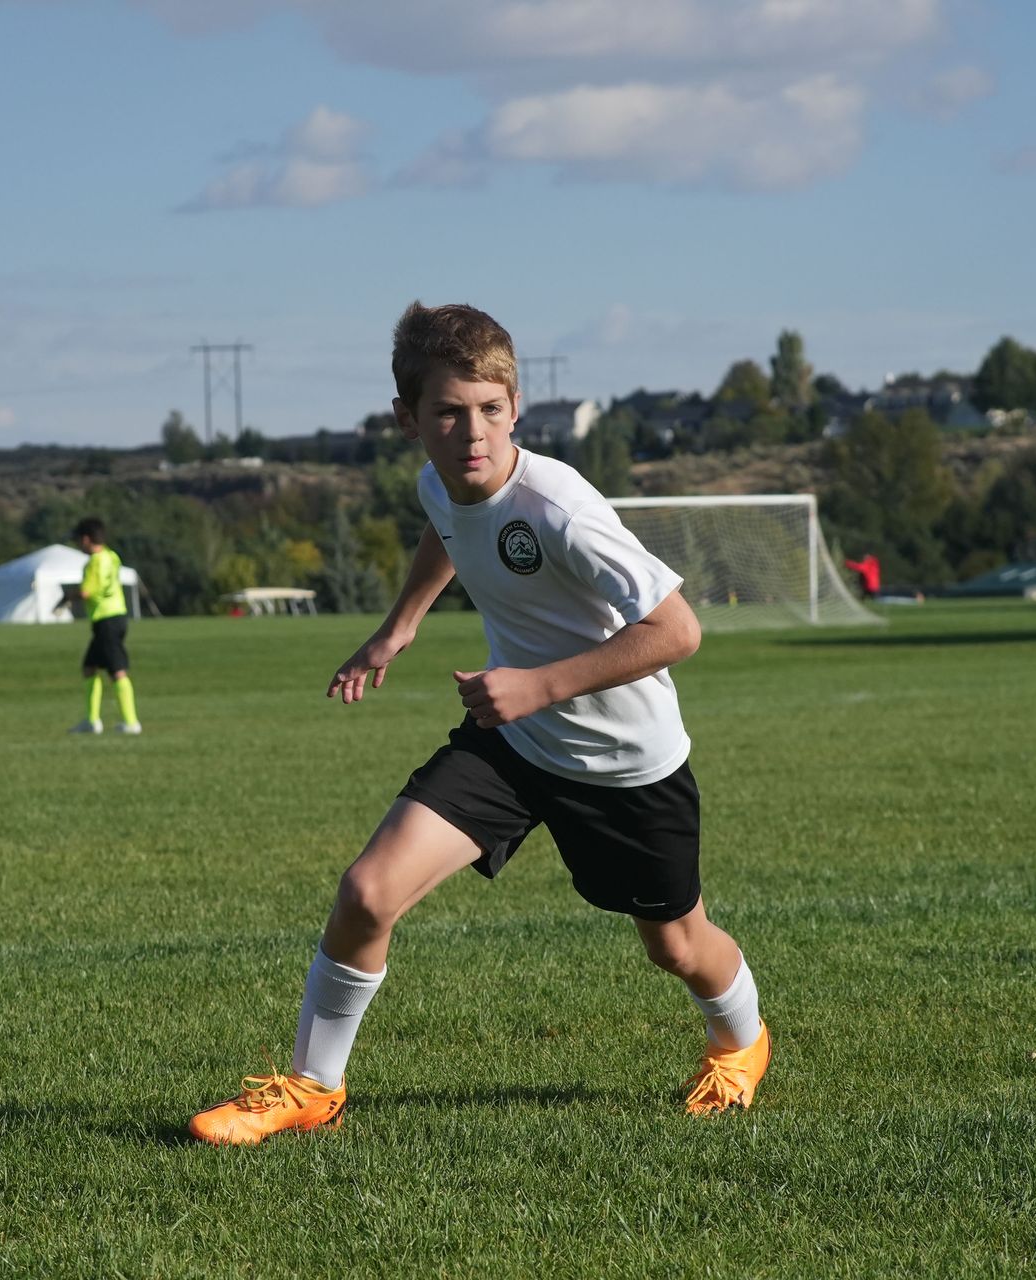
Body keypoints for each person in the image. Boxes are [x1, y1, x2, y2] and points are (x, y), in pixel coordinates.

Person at [188, 301, 769, 1146]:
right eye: (449, 413)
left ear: (516, 405)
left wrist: (537, 686)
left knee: (677, 945)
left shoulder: (559, 505)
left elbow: (679, 631)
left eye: (491, 410)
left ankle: (742, 1043)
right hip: (514, 747)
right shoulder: (439, 477)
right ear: (407, 419)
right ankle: (313, 1088)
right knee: (365, 893)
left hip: (624, 765)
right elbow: (449, 526)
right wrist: (398, 628)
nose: (473, 434)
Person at [69, 517, 141, 735]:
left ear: (86, 539)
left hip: (105, 618)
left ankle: (131, 722)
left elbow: (86, 591)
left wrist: (69, 596)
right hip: (118, 615)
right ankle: (91, 720)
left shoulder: (94, 562)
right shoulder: (112, 556)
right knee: (89, 667)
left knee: (116, 670)